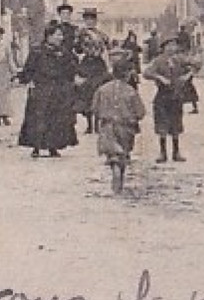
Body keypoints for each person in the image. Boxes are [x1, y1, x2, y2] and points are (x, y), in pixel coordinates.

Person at [17, 23, 79, 158]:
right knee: (38, 118)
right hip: (41, 89)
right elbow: (28, 69)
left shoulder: (63, 52)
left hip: (58, 91)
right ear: (49, 36)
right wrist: (28, 80)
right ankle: (36, 147)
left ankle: (53, 147)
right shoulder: (37, 51)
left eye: (61, 35)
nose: (60, 38)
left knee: (55, 119)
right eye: (58, 34)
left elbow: (71, 70)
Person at [93, 56, 146, 194]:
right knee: (124, 152)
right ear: (127, 74)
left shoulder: (102, 89)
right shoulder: (131, 91)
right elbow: (140, 112)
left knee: (112, 153)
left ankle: (114, 167)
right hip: (126, 127)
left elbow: (95, 108)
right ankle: (119, 177)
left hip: (107, 126)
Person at [144, 37, 191, 163]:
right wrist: (159, 77)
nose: (171, 48)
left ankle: (176, 152)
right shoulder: (158, 61)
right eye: (169, 46)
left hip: (176, 96)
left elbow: (196, 65)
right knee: (162, 124)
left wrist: (186, 76)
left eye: (174, 45)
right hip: (162, 96)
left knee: (176, 123)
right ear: (163, 48)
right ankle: (163, 153)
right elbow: (146, 73)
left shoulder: (179, 60)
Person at [75, 31, 112, 134]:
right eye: (88, 48)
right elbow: (80, 70)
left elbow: (104, 71)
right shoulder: (85, 59)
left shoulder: (99, 60)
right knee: (87, 104)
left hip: (96, 82)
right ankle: (90, 126)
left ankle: (96, 125)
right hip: (87, 84)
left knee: (98, 102)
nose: (91, 50)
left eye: (94, 48)